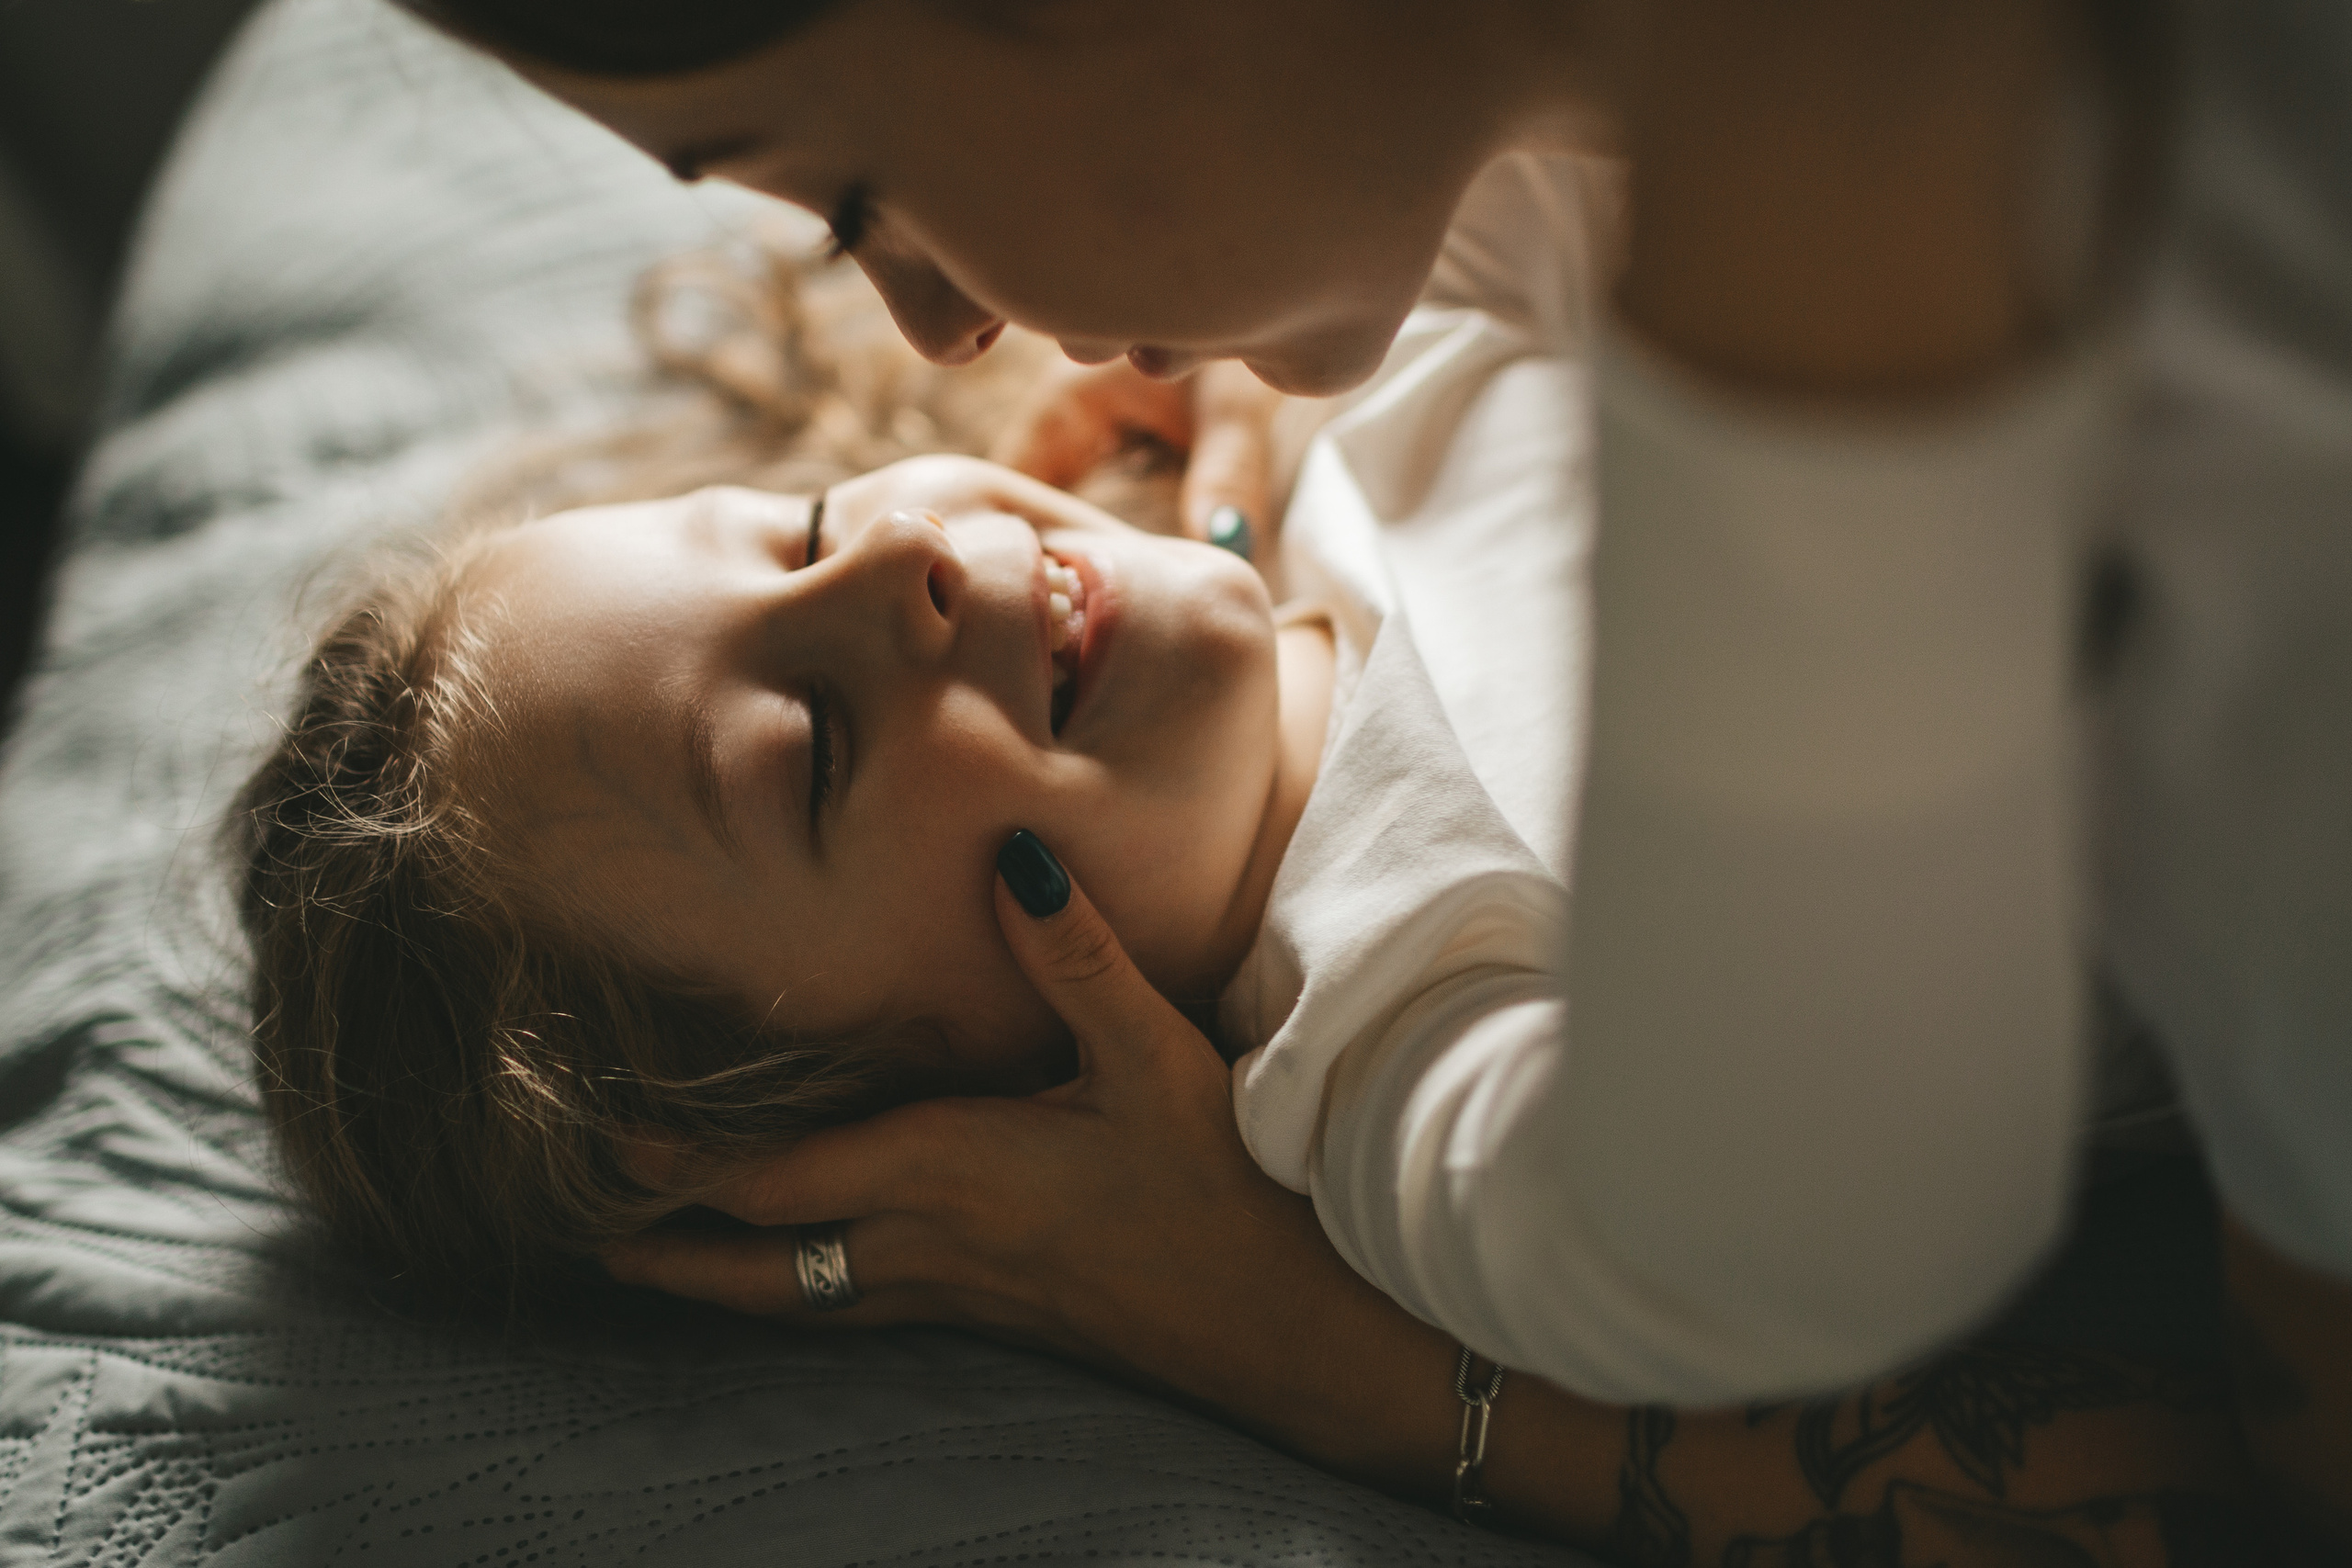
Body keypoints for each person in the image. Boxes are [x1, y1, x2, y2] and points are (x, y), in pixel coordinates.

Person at [373, 0, 2352, 1553]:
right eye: (807, 744)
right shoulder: (1384, 1055)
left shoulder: (1339, 396)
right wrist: (1294, 1327)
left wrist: (1236, 333)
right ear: (962, 1084)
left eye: (802, 525)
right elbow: (1751, 1249)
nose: (896, 545)